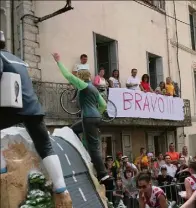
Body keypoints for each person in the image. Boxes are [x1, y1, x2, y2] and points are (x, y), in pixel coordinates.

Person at [0, 31, 68, 196]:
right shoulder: (17, 60)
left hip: (12, 107)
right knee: (45, 145)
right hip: (33, 107)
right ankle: (60, 185)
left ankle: (2, 168)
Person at [52, 52, 112, 184]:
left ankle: (103, 174)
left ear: (80, 77)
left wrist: (58, 61)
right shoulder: (94, 89)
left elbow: (68, 75)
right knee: (72, 130)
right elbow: (103, 105)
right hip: (96, 118)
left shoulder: (83, 85)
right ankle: (81, 151)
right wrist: (97, 114)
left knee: (93, 147)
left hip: (89, 118)